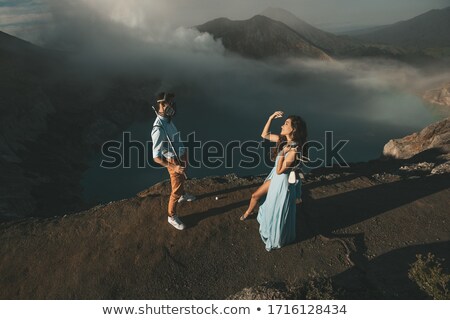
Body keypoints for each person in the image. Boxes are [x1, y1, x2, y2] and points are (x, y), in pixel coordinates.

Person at [241, 111, 307, 251]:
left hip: (281, 181)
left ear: (294, 129)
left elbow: (279, 171)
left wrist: (283, 152)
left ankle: (274, 233)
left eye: (286, 124)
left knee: (275, 208)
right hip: (275, 177)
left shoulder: (294, 149)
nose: (282, 125)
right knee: (256, 196)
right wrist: (270, 118)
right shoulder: (284, 141)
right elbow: (264, 135)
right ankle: (248, 212)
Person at [151, 92, 196, 230]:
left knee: (182, 179)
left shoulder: (167, 119)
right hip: (173, 160)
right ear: (162, 104)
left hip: (181, 155)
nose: (173, 105)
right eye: (170, 103)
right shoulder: (158, 129)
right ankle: (171, 216)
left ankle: (183, 195)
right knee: (175, 189)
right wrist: (174, 167)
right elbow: (156, 157)